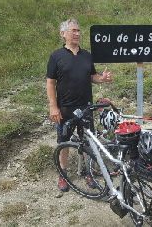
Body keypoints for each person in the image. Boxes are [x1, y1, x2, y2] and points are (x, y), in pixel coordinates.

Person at [46, 18, 112, 192]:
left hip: (86, 107)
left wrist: (102, 79)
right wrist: (53, 107)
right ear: (63, 34)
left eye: (78, 30)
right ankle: (63, 174)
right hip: (65, 108)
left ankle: (88, 172)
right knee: (63, 142)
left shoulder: (86, 55)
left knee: (87, 141)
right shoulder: (56, 56)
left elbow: (92, 77)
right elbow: (50, 83)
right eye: (73, 30)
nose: (77, 33)